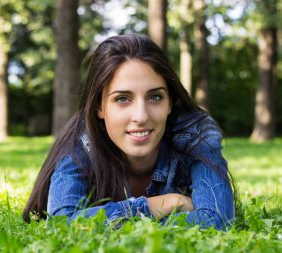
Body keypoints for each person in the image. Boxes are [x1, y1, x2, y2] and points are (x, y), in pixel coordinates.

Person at [23, 34, 235, 230]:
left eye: (155, 97)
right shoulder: (80, 144)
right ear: (100, 106)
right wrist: (162, 204)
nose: (141, 116)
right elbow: (62, 224)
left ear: (170, 101)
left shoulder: (194, 133)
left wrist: (108, 221)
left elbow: (217, 219)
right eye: (122, 99)